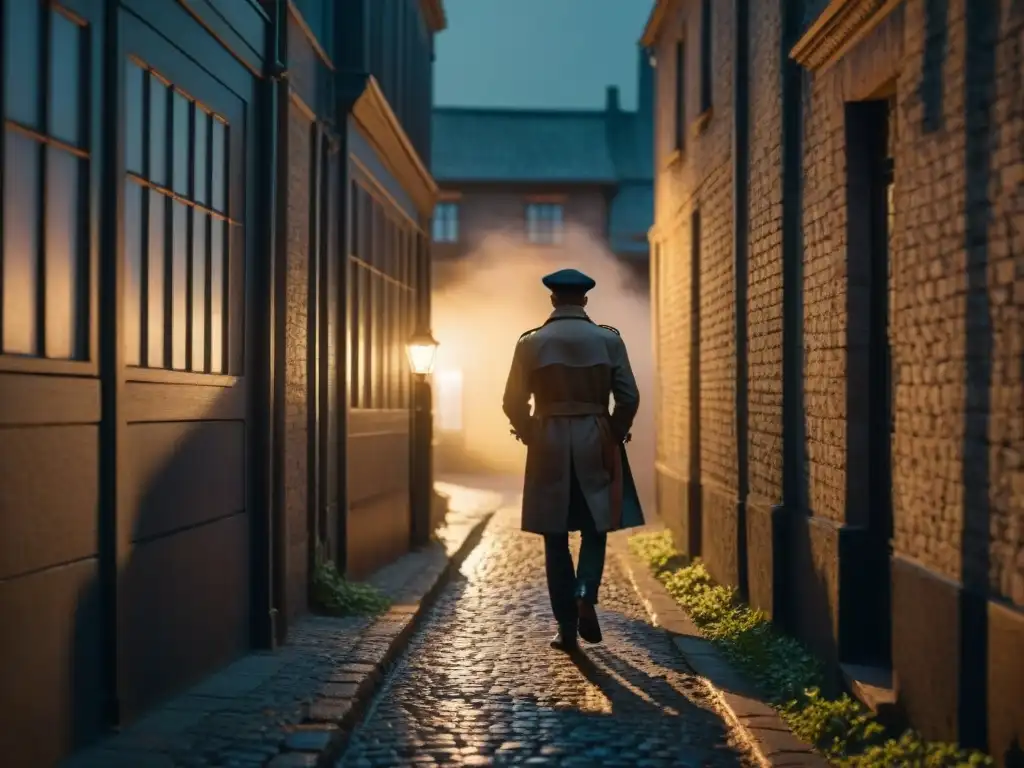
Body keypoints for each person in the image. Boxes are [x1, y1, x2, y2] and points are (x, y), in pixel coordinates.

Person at [502, 267, 644, 652]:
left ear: (553, 299)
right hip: (595, 435)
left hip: (547, 437)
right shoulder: (608, 341)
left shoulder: (530, 343)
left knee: (555, 534)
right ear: (584, 300)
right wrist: (613, 432)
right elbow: (629, 397)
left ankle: (566, 628)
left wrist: (531, 431)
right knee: (597, 525)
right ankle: (585, 594)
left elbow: (512, 402)